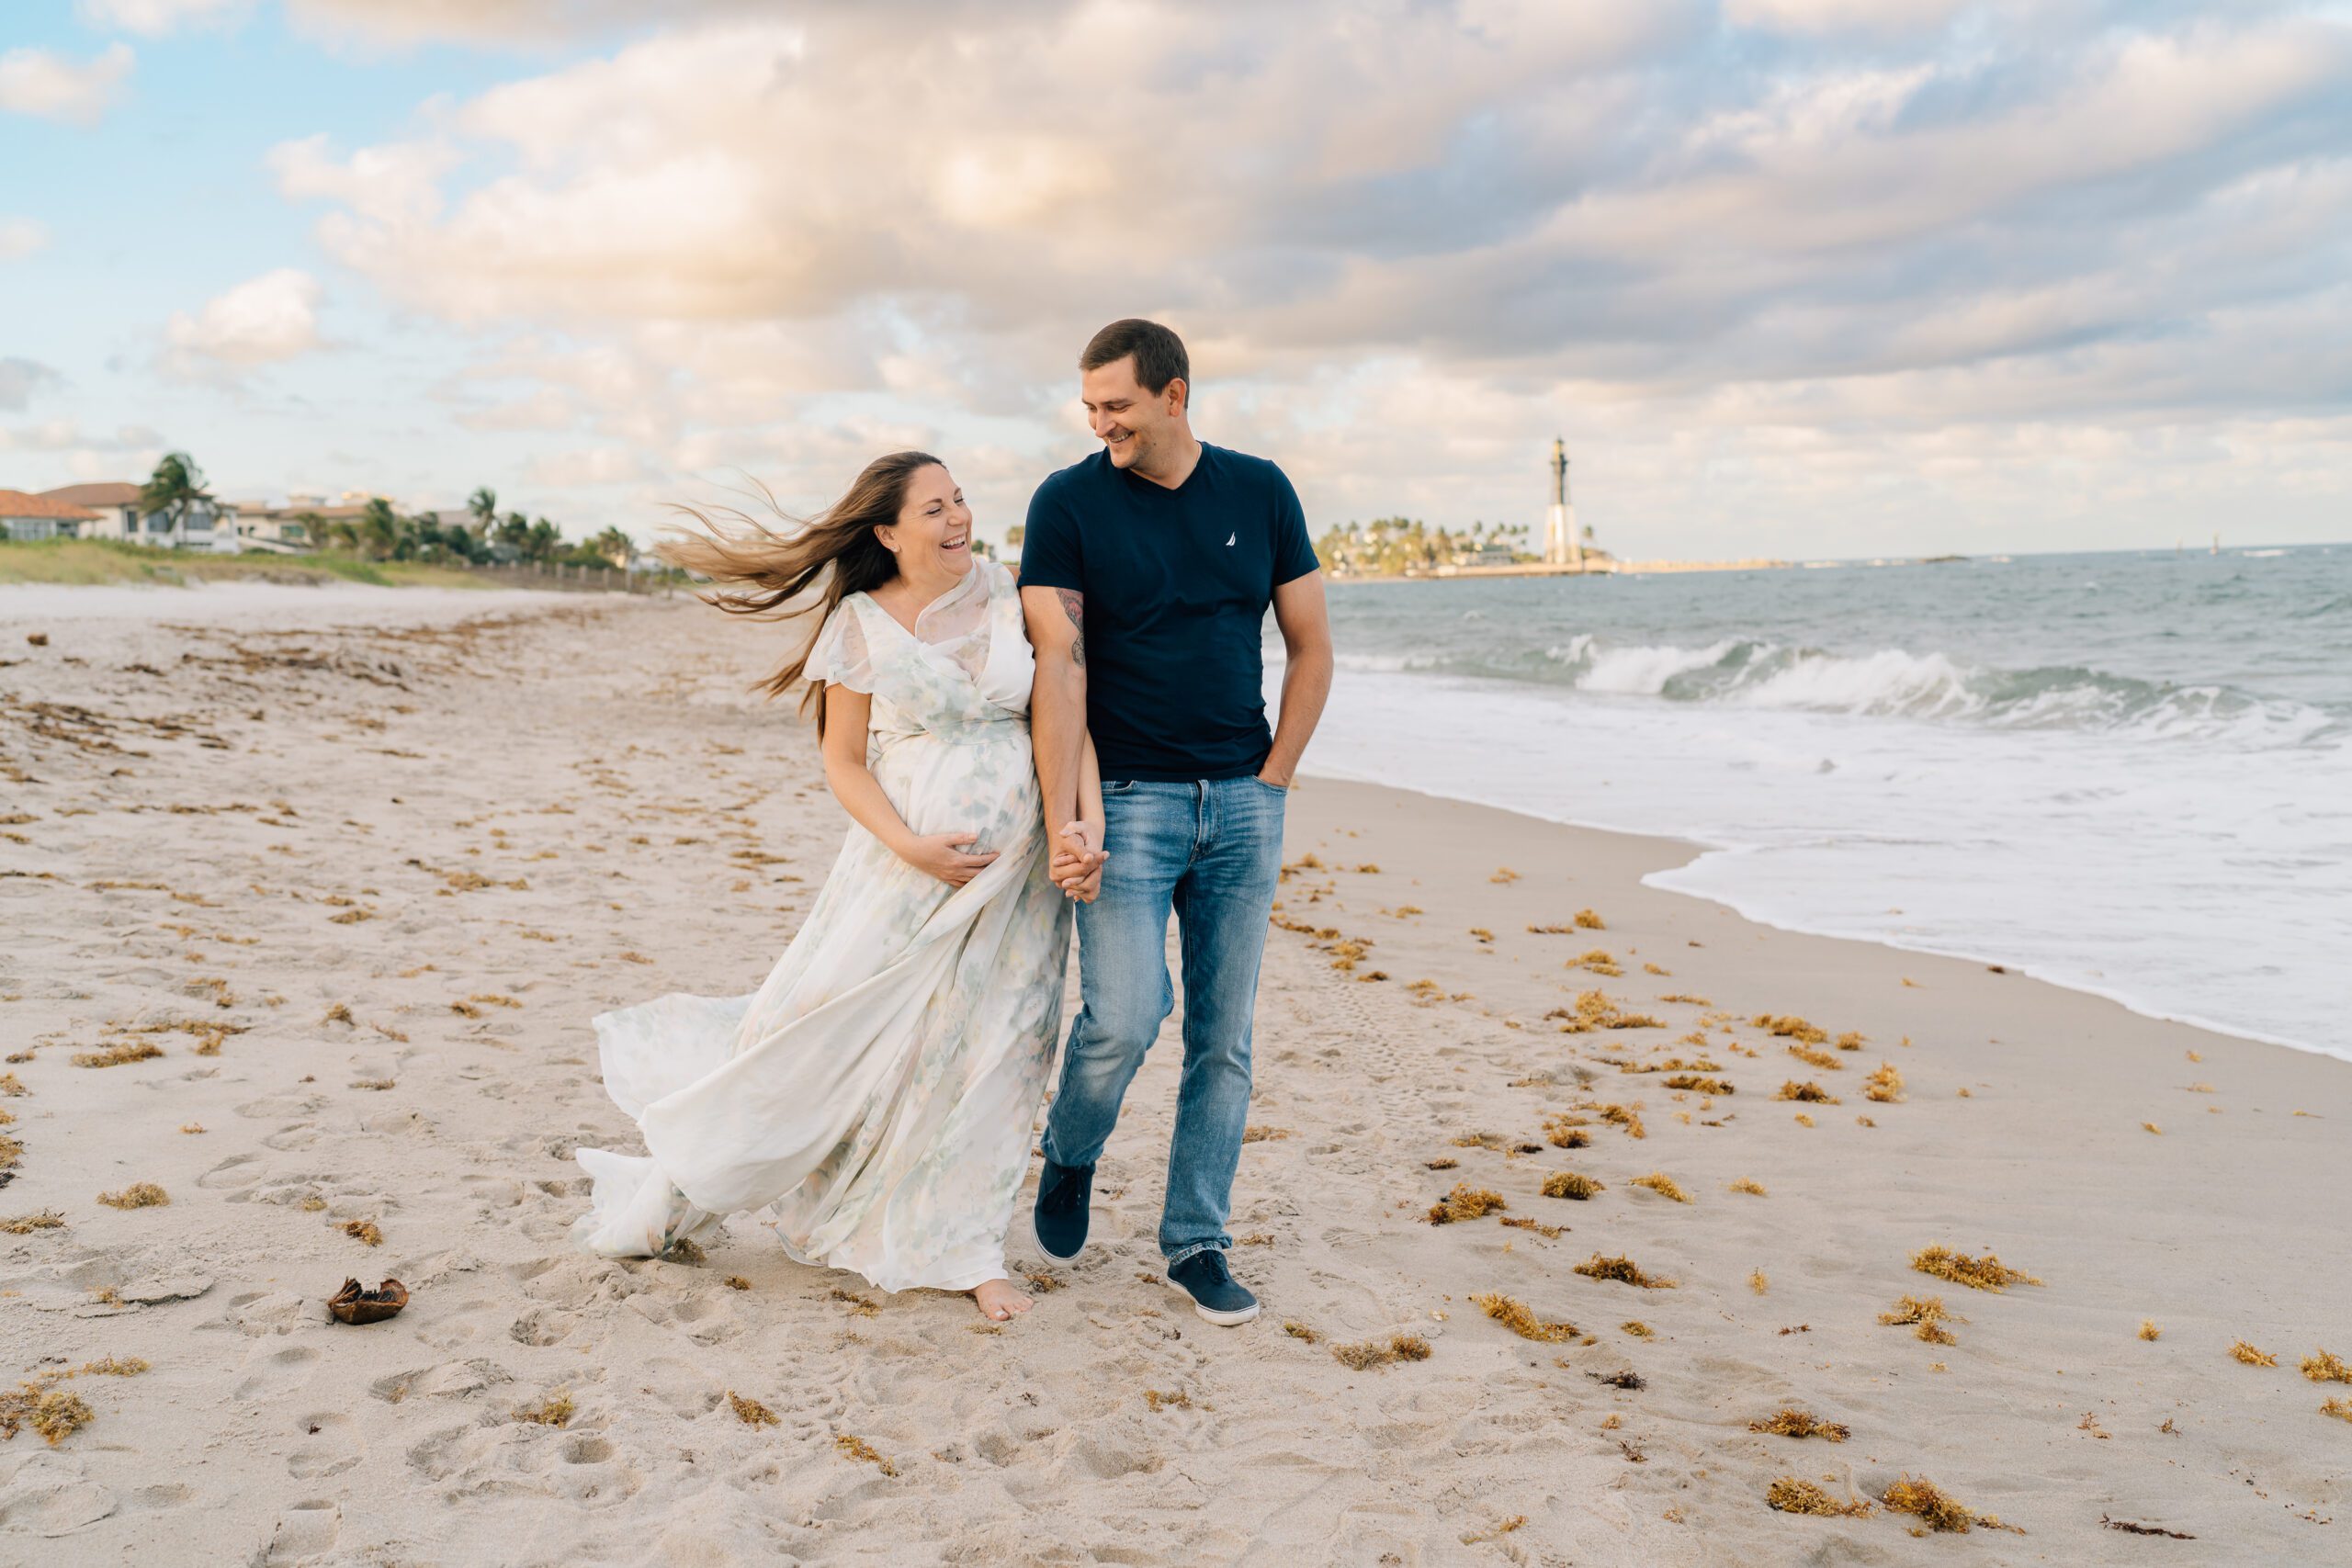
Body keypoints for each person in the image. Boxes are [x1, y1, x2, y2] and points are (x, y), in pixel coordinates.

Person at [570, 452, 1104, 1323]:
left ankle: (966, 1247)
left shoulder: (1012, 593)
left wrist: (1083, 824)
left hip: (1016, 884)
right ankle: (679, 1185)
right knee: (816, 1029)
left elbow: (1071, 713)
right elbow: (843, 762)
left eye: (960, 499)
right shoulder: (860, 623)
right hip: (902, 874)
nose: (957, 517)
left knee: (998, 1048)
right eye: (934, 508)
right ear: (888, 533)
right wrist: (911, 846)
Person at [1020, 318, 1334, 1326]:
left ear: (1173, 395)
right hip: (1127, 804)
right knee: (1120, 1017)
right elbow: (1056, 669)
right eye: (1090, 408)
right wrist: (1067, 812)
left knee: (1223, 1041)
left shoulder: (1261, 490)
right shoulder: (1065, 504)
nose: (1100, 423)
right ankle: (1070, 1151)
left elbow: (1311, 644)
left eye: (1116, 404)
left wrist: (1273, 780)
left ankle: (1196, 1239)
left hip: (1243, 803)